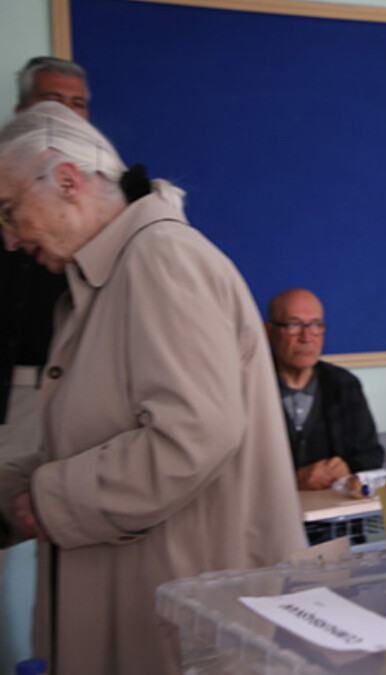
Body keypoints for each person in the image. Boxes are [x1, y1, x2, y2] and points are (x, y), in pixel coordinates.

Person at [0, 101, 305, 674]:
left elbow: (193, 433)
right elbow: (85, 441)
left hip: (185, 615)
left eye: (9, 211)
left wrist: (52, 499)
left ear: (67, 181)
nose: (10, 239)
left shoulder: (161, 259)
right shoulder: (98, 282)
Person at [0, 56, 89, 673]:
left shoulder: (95, 205)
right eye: (54, 100)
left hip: (59, 395)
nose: (66, 113)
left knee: (57, 527)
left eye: (79, 105)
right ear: (22, 111)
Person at [266, 288, 385, 491]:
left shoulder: (344, 384)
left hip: (333, 516)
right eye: (294, 325)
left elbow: (372, 454)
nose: (306, 337)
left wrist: (347, 467)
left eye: (315, 325)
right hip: (268, 515)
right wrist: (293, 481)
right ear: (268, 332)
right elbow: (227, 470)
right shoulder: (247, 387)